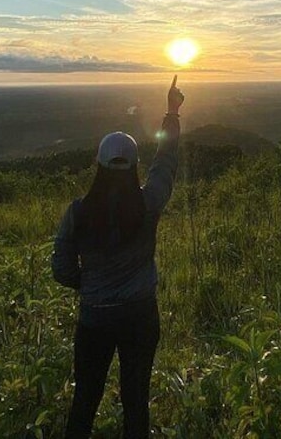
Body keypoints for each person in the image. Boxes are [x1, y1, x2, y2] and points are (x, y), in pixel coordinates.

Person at [52, 75, 185, 438]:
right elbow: (166, 163)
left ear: (99, 164)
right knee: (136, 400)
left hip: (94, 319)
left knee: (85, 398)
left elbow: (61, 268)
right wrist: (172, 112)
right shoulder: (147, 204)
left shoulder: (78, 212)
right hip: (140, 315)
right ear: (133, 165)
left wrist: (88, 284)